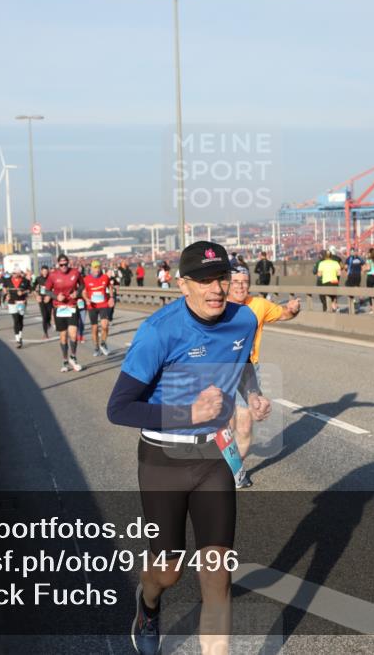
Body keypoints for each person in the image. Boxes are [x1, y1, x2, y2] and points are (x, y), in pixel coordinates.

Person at [106, 241, 271, 655]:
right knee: (169, 571)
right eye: (202, 280)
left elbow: (242, 363)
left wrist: (253, 393)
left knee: (217, 575)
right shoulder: (159, 331)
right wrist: (188, 413)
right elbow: (119, 408)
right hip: (164, 459)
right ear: (183, 284)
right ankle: (148, 604)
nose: (215, 288)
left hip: (214, 456)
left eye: (221, 278)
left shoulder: (245, 319)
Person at [226, 265, 300, 488]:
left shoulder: (258, 304)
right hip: (219, 370)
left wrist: (293, 309)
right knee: (225, 425)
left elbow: (284, 314)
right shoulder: (217, 305)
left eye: (244, 281)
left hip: (248, 370)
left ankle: (234, 471)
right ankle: (221, 466)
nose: (240, 286)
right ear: (227, 283)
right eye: (235, 281)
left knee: (245, 426)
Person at [45, 254, 84, 372]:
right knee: (63, 336)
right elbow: (46, 290)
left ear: (68, 263)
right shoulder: (53, 275)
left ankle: (73, 357)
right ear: (58, 264)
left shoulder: (75, 272)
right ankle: (65, 360)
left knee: (73, 334)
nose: (63, 267)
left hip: (72, 306)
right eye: (61, 265)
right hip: (59, 308)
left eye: (65, 264)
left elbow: (82, 285)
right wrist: (56, 297)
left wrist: (76, 293)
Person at [82, 260, 114, 357]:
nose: (97, 269)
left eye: (98, 267)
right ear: (91, 268)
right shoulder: (86, 279)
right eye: (95, 267)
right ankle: (96, 347)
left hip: (103, 304)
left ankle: (103, 343)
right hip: (92, 306)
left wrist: (111, 297)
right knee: (94, 328)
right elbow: (83, 292)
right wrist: (86, 299)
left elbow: (110, 287)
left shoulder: (105, 277)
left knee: (105, 325)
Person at [5, 270, 31, 348]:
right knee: (15, 320)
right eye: (13, 273)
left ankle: (20, 335)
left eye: (16, 273)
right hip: (12, 302)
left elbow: (30, 290)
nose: (14, 274)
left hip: (21, 302)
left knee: (20, 320)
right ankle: (18, 340)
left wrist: (23, 293)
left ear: (19, 273)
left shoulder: (25, 281)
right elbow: (4, 288)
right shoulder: (8, 280)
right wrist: (6, 295)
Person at [34, 265, 53, 339]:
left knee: (48, 315)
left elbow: (55, 288)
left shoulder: (51, 278)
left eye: (46, 271)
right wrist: (36, 296)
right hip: (41, 299)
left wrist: (50, 296)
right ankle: (45, 333)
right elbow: (32, 288)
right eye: (43, 271)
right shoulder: (38, 279)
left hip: (49, 299)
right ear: (41, 271)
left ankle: (48, 323)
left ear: (48, 271)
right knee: (44, 316)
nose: (45, 273)